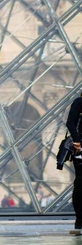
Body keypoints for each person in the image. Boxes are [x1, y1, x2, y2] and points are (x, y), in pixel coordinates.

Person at [66, 92, 82, 229]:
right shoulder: (79, 102)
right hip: (80, 148)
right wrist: (77, 141)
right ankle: (79, 220)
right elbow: (70, 122)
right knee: (80, 183)